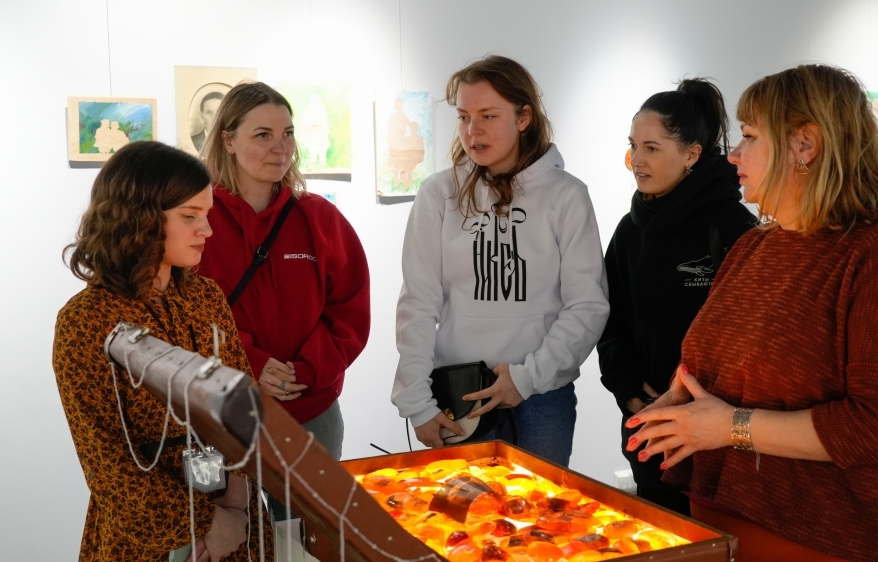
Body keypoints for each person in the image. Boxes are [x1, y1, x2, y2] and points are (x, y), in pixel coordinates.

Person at [626, 64, 878, 562]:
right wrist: (683, 398)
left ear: (804, 146)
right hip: (726, 516)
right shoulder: (755, 246)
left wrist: (728, 426)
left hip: (833, 538)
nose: (734, 154)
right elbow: (728, 360)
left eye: (749, 137)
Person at [53, 141, 272, 561]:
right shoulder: (86, 321)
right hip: (146, 538)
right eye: (190, 216)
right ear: (140, 218)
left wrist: (234, 509)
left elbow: (246, 414)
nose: (207, 230)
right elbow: (108, 465)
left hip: (237, 526)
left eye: (206, 214)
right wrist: (206, 526)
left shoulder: (206, 298)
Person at [391, 55, 609, 467]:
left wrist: (527, 378)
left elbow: (587, 305)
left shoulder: (566, 195)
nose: (472, 131)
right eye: (463, 117)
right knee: (464, 508)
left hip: (542, 397)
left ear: (524, 117)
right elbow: (418, 303)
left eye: (488, 116)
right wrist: (416, 399)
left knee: (540, 507)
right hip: (459, 392)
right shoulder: (439, 194)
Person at [197, 82, 370, 517]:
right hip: (221, 416)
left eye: (287, 133)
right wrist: (250, 364)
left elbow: (349, 310)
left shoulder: (319, 217)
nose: (281, 148)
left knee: (307, 540)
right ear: (228, 140)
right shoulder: (198, 220)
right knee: (227, 535)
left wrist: (306, 371)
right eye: (263, 135)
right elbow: (187, 316)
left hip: (309, 416)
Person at [597, 79, 757, 515]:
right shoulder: (629, 230)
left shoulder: (732, 226)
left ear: (692, 154)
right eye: (634, 146)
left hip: (719, 437)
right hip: (651, 431)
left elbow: (751, 336)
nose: (637, 160)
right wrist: (627, 387)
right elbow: (609, 318)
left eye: (652, 148)